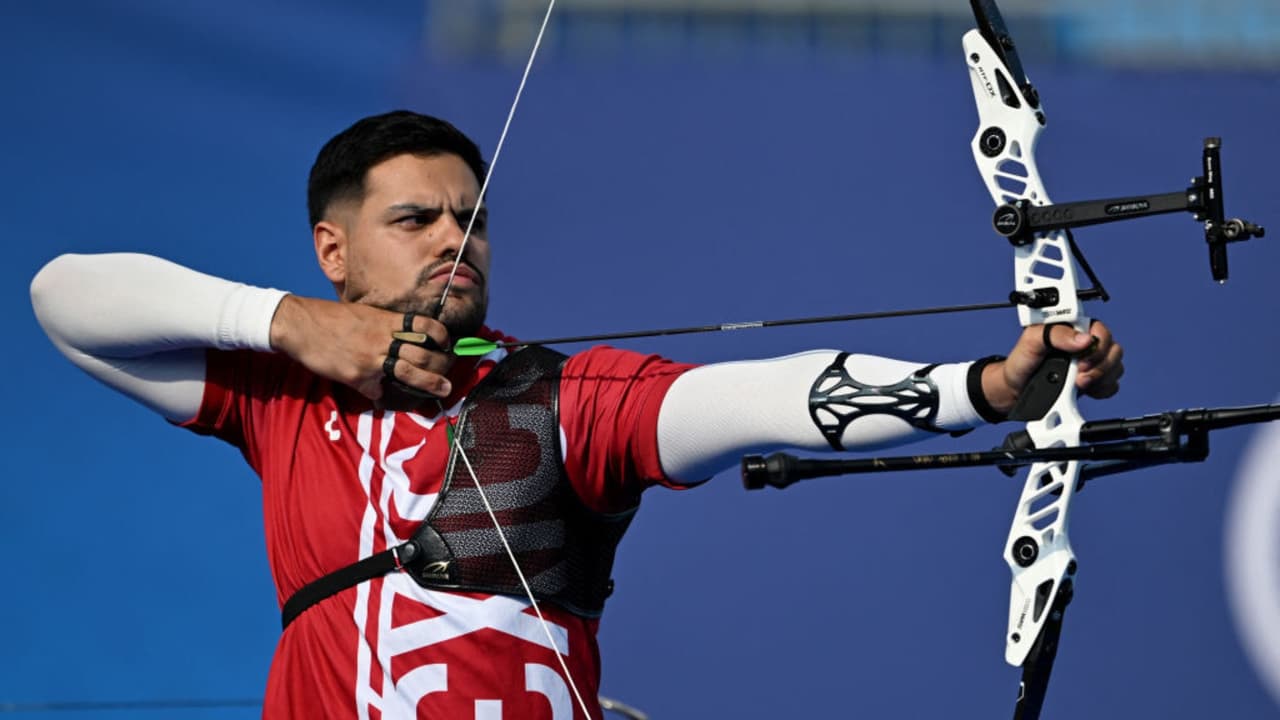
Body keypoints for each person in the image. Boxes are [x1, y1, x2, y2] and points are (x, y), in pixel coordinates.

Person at [29, 110, 1123, 719]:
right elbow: (63, 297)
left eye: (472, 217)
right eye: (414, 219)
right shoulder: (279, 392)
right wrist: (291, 326)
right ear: (335, 251)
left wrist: (981, 388)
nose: (454, 237)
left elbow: (751, 396)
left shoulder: (553, 397)